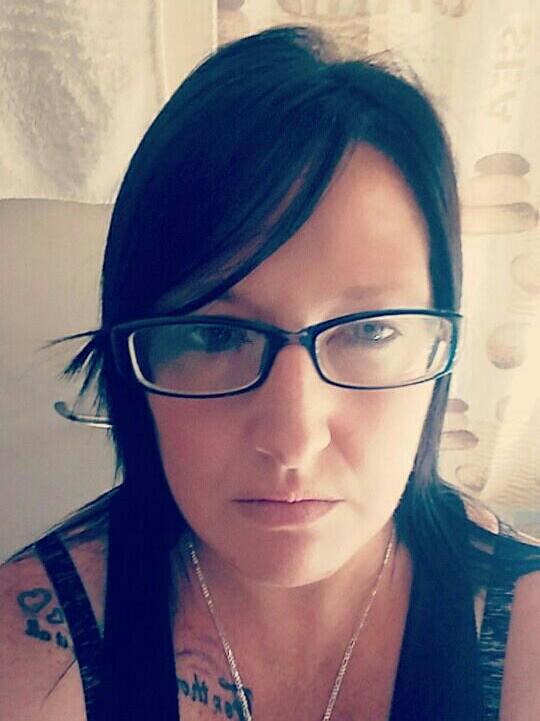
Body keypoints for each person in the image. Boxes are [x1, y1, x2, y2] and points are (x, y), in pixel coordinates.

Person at [1, 25, 539, 721]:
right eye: (216, 334)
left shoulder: (523, 636)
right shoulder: (30, 652)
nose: (293, 440)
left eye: (370, 330)